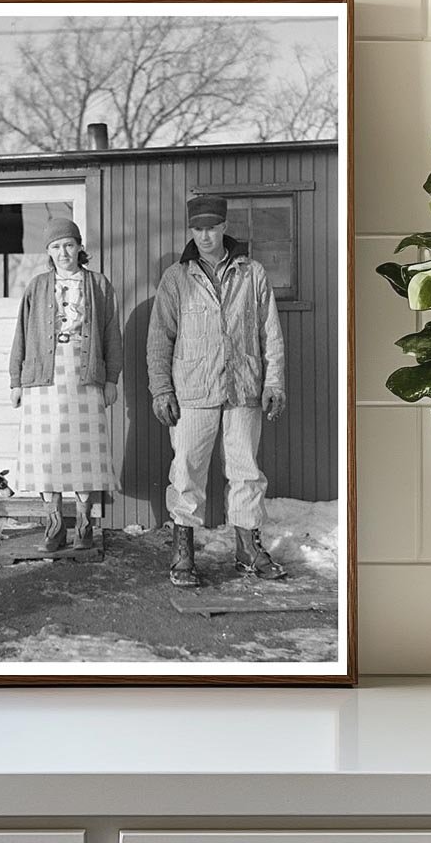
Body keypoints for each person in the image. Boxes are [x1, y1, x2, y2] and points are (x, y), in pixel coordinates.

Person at [146, 195, 287, 587]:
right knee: (187, 471)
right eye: (197, 229)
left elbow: (269, 333)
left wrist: (274, 382)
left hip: (243, 388)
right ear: (190, 231)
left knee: (246, 472)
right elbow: (160, 339)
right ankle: (183, 553)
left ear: (224, 227)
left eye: (211, 227)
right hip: (193, 391)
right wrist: (161, 390)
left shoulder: (252, 273)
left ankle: (247, 549)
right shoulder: (177, 279)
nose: (204, 236)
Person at [9, 218, 121, 551]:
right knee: (47, 453)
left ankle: (84, 527)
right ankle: (55, 527)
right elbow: (21, 335)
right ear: (48, 252)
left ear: (79, 247)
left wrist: (111, 378)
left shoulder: (98, 285)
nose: (63, 253)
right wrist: (16, 380)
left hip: (84, 376)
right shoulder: (37, 285)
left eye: (69, 245)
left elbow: (112, 335)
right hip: (42, 378)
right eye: (56, 247)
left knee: (84, 452)